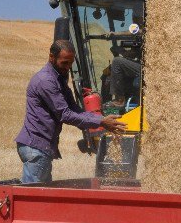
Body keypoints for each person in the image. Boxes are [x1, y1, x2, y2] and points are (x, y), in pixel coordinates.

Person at [16, 39, 126, 182]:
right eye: (64, 63)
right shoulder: (46, 81)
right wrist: (101, 121)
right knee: (32, 200)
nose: (67, 67)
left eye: (70, 63)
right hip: (36, 148)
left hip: (39, 148)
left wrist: (99, 119)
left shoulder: (58, 77)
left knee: (41, 197)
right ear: (51, 57)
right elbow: (65, 114)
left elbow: (73, 108)